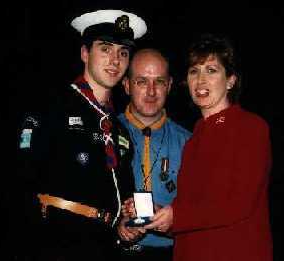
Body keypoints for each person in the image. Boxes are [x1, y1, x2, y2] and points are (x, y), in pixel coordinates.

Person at [17, 9, 147, 261]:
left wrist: (124, 225)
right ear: (85, 53)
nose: (115, 60)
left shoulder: (119, 131)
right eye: (105, 48)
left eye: (123, 52)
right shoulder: (50, 108)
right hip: (55, 247)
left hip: (105, 248)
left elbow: (119, 199)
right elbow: (20, 182)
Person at [145, 33, 273, 261]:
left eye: (211, 70)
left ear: (231, 80)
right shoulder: (194, 138)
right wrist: (161, 215)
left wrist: (177, 215)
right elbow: (196, 208)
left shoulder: (250, 126)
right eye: (194, 71)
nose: (200, 80)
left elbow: (238, 203)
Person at [117, 48, 191, 261]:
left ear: (168, 85)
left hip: (172, 253)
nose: (151, 92)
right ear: (126, 85)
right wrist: (117, 224)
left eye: (158, 81)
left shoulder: (190, 143)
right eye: (141, 81)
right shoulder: (106, 133)